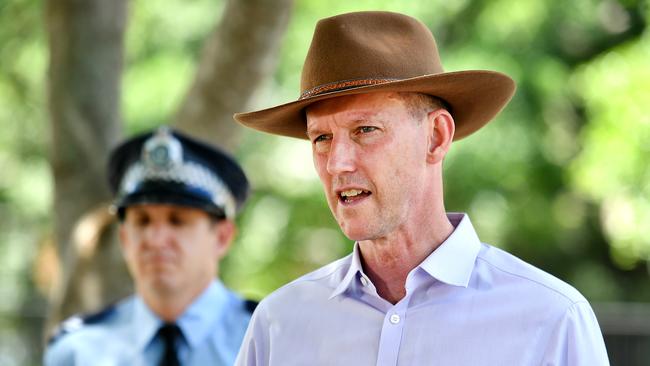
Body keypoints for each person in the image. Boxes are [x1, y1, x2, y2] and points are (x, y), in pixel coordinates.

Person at [232, 11, 609, 365]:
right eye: (321, 139)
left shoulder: (551, 320)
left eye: (365, 130)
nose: (337, 163)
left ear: (435, 137)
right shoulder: (277, 325)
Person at [45, 127, 255, 365]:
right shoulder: (77, 351)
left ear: (222, 237)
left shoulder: (266, 338)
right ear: (124, 238)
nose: (155, 240)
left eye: (177, 221)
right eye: (142, 221)